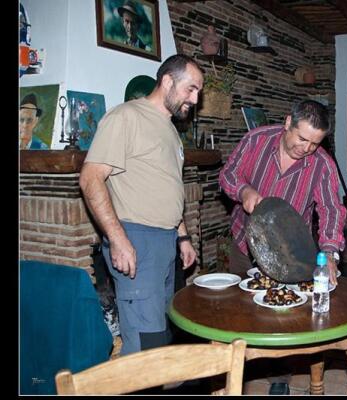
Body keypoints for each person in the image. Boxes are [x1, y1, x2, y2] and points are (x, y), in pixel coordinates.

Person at [219, 99, 346, 395]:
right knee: (240, 312)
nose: (306, 149)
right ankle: (235, 370)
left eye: (315, 143)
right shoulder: (256, 140)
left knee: (282, 317)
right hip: (244, 240)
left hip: (288, 251)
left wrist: (328, 251)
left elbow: (331, 208)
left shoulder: (322, 163)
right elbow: (227, 175)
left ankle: (280, 378)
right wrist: (244, 190)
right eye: (302, 138)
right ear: (287, 122)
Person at [79, 54, 202, 356]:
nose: (195, 99)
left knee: (160, 335)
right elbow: (90, 178)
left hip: (165, 241)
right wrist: (118, 239)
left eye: (198, 91)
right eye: (191, 89)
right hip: (137, 240)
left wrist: (183, 236)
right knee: (143, 346)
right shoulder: (126, 117)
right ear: (168, 81)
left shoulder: (170, 129)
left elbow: (168, 186)